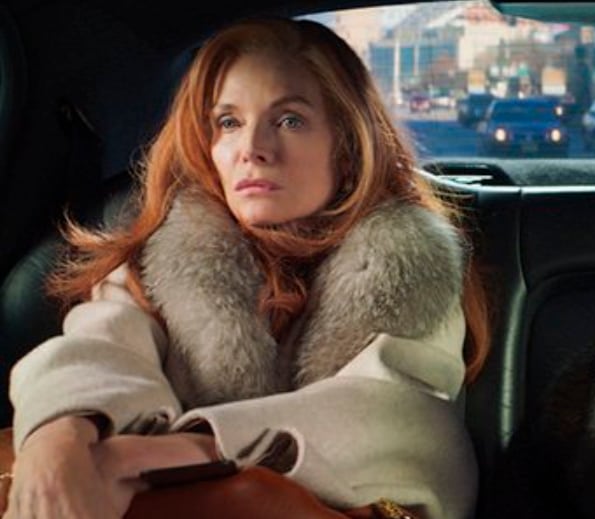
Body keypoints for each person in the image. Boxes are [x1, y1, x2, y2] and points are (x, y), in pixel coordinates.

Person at [4, 17, 490, 519]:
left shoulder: (409, 268)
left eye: (290, 120)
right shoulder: (154, 257)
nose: (253, 148)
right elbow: (102, 349)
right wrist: (59, 432)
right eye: (229, 123)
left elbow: (402, 419)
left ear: (346, 148)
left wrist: (180, 450)